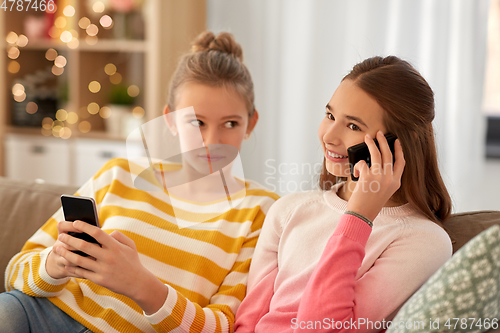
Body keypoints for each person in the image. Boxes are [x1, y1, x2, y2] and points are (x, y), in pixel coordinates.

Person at [1, 31, 279, 333]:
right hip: (39, 313)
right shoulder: (119, 173)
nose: (211, 142)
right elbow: (15, 271)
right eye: (196, 122)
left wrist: (142, 286)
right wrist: (56, 264)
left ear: (251, 123)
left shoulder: (261, 212)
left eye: (230, 123)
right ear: (170, 120)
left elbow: (222, 326)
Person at [234, 56, 453, 333]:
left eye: (353, 126)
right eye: (330, 116)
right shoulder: (287, 210)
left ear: (395, 145)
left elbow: (320, 328)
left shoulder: (424, 241)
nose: (328, 136)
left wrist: (359, 216)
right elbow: (247, 322)